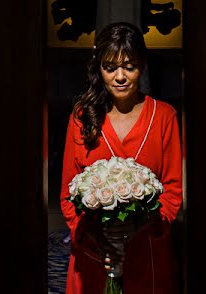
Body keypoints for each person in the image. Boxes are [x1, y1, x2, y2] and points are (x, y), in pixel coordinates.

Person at [60, 22, 183, 293]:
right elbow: (68, 197)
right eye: (110, 67)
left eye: (129, 66)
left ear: (143, 65)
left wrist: (135, 227)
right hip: (93, 253)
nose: (120, 77)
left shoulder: (164, 117)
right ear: (99, 68)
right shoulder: (83, 118)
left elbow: (173, 193)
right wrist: (97, 235)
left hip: (146, 251)